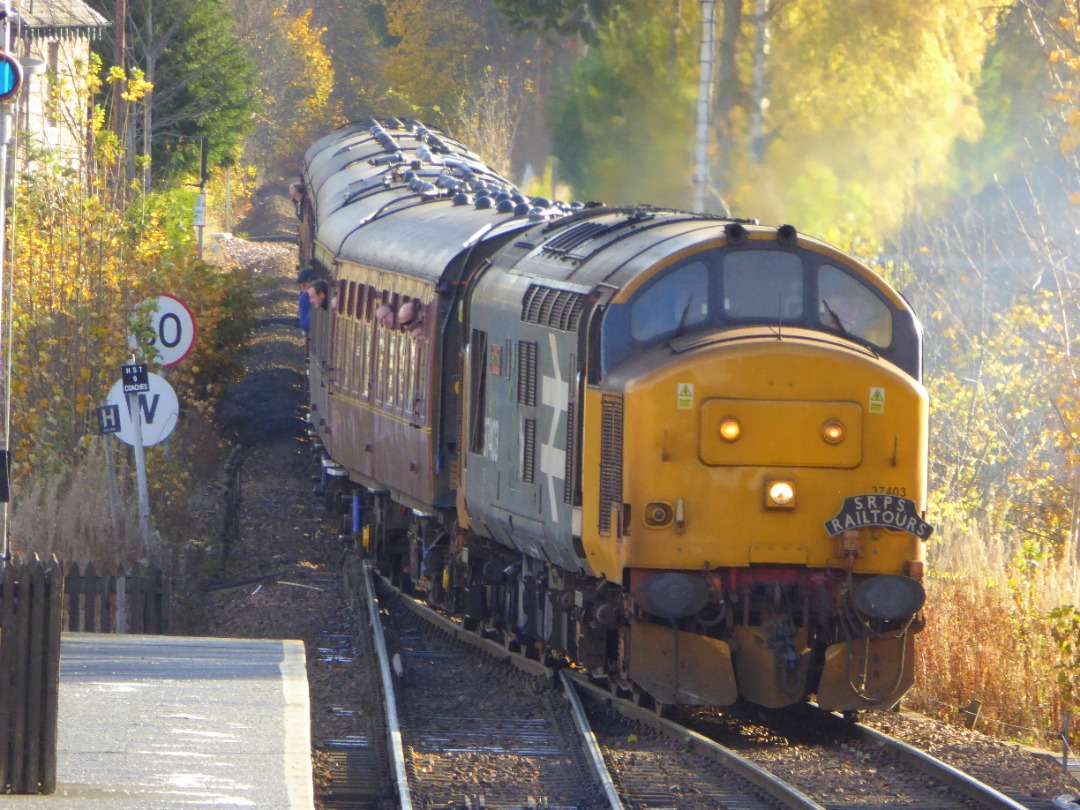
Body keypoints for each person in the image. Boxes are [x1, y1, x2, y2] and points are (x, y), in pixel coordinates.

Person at [297, 267, 316, 334]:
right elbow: (305, 326)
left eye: (305, 282)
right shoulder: (304, 298)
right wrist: (313, 308)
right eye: (300, 283)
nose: (303, 285)